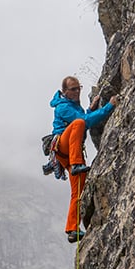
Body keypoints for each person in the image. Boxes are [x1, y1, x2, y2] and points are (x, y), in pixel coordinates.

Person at [50, 76, 118, 243]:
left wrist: (90, 108)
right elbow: (83, 122)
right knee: (80, 123)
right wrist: (109, 107)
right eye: (73, 89)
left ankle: (72, 229)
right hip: (64, 147)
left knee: (78, 189)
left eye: (78, 87)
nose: (77, 91)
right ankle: (76, 164)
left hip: (66, 152)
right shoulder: (62, 107)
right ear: (65, 92)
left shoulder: (73, 105)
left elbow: (82, 117)